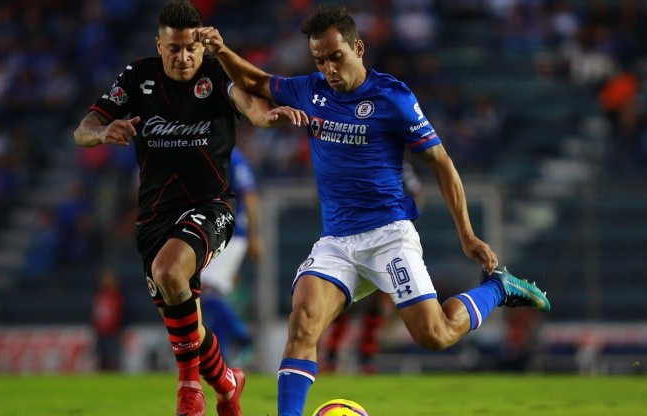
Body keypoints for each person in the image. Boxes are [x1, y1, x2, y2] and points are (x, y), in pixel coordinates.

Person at [195, 6, 551, 415]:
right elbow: (255, 81)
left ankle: (499, 289)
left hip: (388, 235)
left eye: (335, 57)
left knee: (433, 333)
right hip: (337, 241)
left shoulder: (392, 97)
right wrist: (221, 51)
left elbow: (441, 163)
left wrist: (467, 235)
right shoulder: (310, 90)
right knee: (304, 321)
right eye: (319, 60)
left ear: (358, 48)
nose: (328, 68)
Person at [73, 1, 306, 415]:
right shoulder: (137, 77)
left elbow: (251, 107)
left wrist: (273, 117)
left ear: (202, 45)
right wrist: (104, 130)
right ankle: (228, 382)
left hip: (210, 206)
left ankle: (189, 391)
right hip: (154, 218)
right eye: (173, 48)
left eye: (190, 48)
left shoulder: (216, 75)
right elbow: (83, 130)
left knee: (170, 271)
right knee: (190, 328)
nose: (183, 57)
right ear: (158, 45)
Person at [321, 160, 424, 374]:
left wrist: (403, 222)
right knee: (342, 297)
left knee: (377, 302)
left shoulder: (401, 166)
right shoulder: (350, 157)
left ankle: (366, 358)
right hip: (349, 236)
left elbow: (417, 193)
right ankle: (331, 355)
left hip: (384, 240)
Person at [200, 146, 261, 365]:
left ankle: (241, 334)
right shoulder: (200, 151)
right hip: (209, 233)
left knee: (205, 291)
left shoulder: (233, 156)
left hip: (233, 232)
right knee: (209, 295)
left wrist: (255, 236)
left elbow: (250, 195)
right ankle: (219, 360)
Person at [91, 268, 125, 372]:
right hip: (100, 332)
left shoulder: (117, 295)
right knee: (101, 359)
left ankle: (116, 379)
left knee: (114, 359)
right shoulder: (99, 294)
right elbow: (95, 313)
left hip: (113, 333)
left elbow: (122, 313)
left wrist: (120, 328)